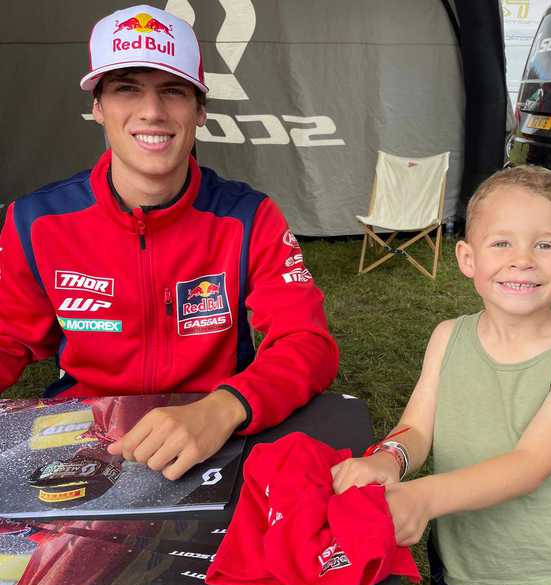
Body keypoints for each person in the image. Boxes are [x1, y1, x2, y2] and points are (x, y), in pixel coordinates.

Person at [0, 5, 338, 480]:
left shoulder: (248, 216)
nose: (152, 112)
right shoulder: (37, 220)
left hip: (210, 433)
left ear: (200, 110)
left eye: (173, 91)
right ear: (97, 107)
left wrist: (225, 407)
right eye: (126, 89)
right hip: (87, 434)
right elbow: (8, 337)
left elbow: (307, 342)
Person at [332, 165, 551, 585]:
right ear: (467, 257)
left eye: (544, 245)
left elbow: (528, 465)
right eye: (501, 243)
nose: (522, 260)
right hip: (456, 576)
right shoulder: (448, 337)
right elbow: (417, 428)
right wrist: (388, 460)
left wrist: (420, 498)